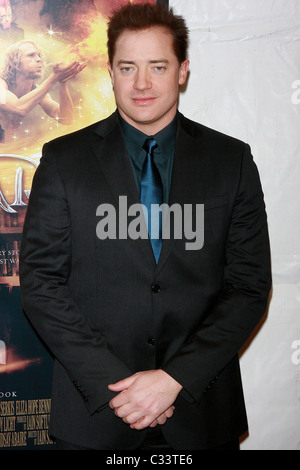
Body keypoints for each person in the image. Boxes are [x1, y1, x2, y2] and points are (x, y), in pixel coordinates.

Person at [19, 3, 272, 451]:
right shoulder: (63, 161)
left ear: (183, 71)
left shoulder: (230, 161)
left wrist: (174, 379)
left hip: (201, 413)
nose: (141, 83)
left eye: (158, 66)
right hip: (94, 416)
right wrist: (121, 387)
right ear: (111, 72)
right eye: (127, 67)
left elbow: (249, 287)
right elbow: (42, 284)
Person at [0, 40, 85, 141]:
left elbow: (66, 119)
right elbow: (19, 108)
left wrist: (63, 82)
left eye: (39, 55)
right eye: (31, 55)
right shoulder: (1, 84)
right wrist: (53, 78)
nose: (39, 59)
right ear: (15, 62)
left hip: (7, 148)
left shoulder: (37, 91)